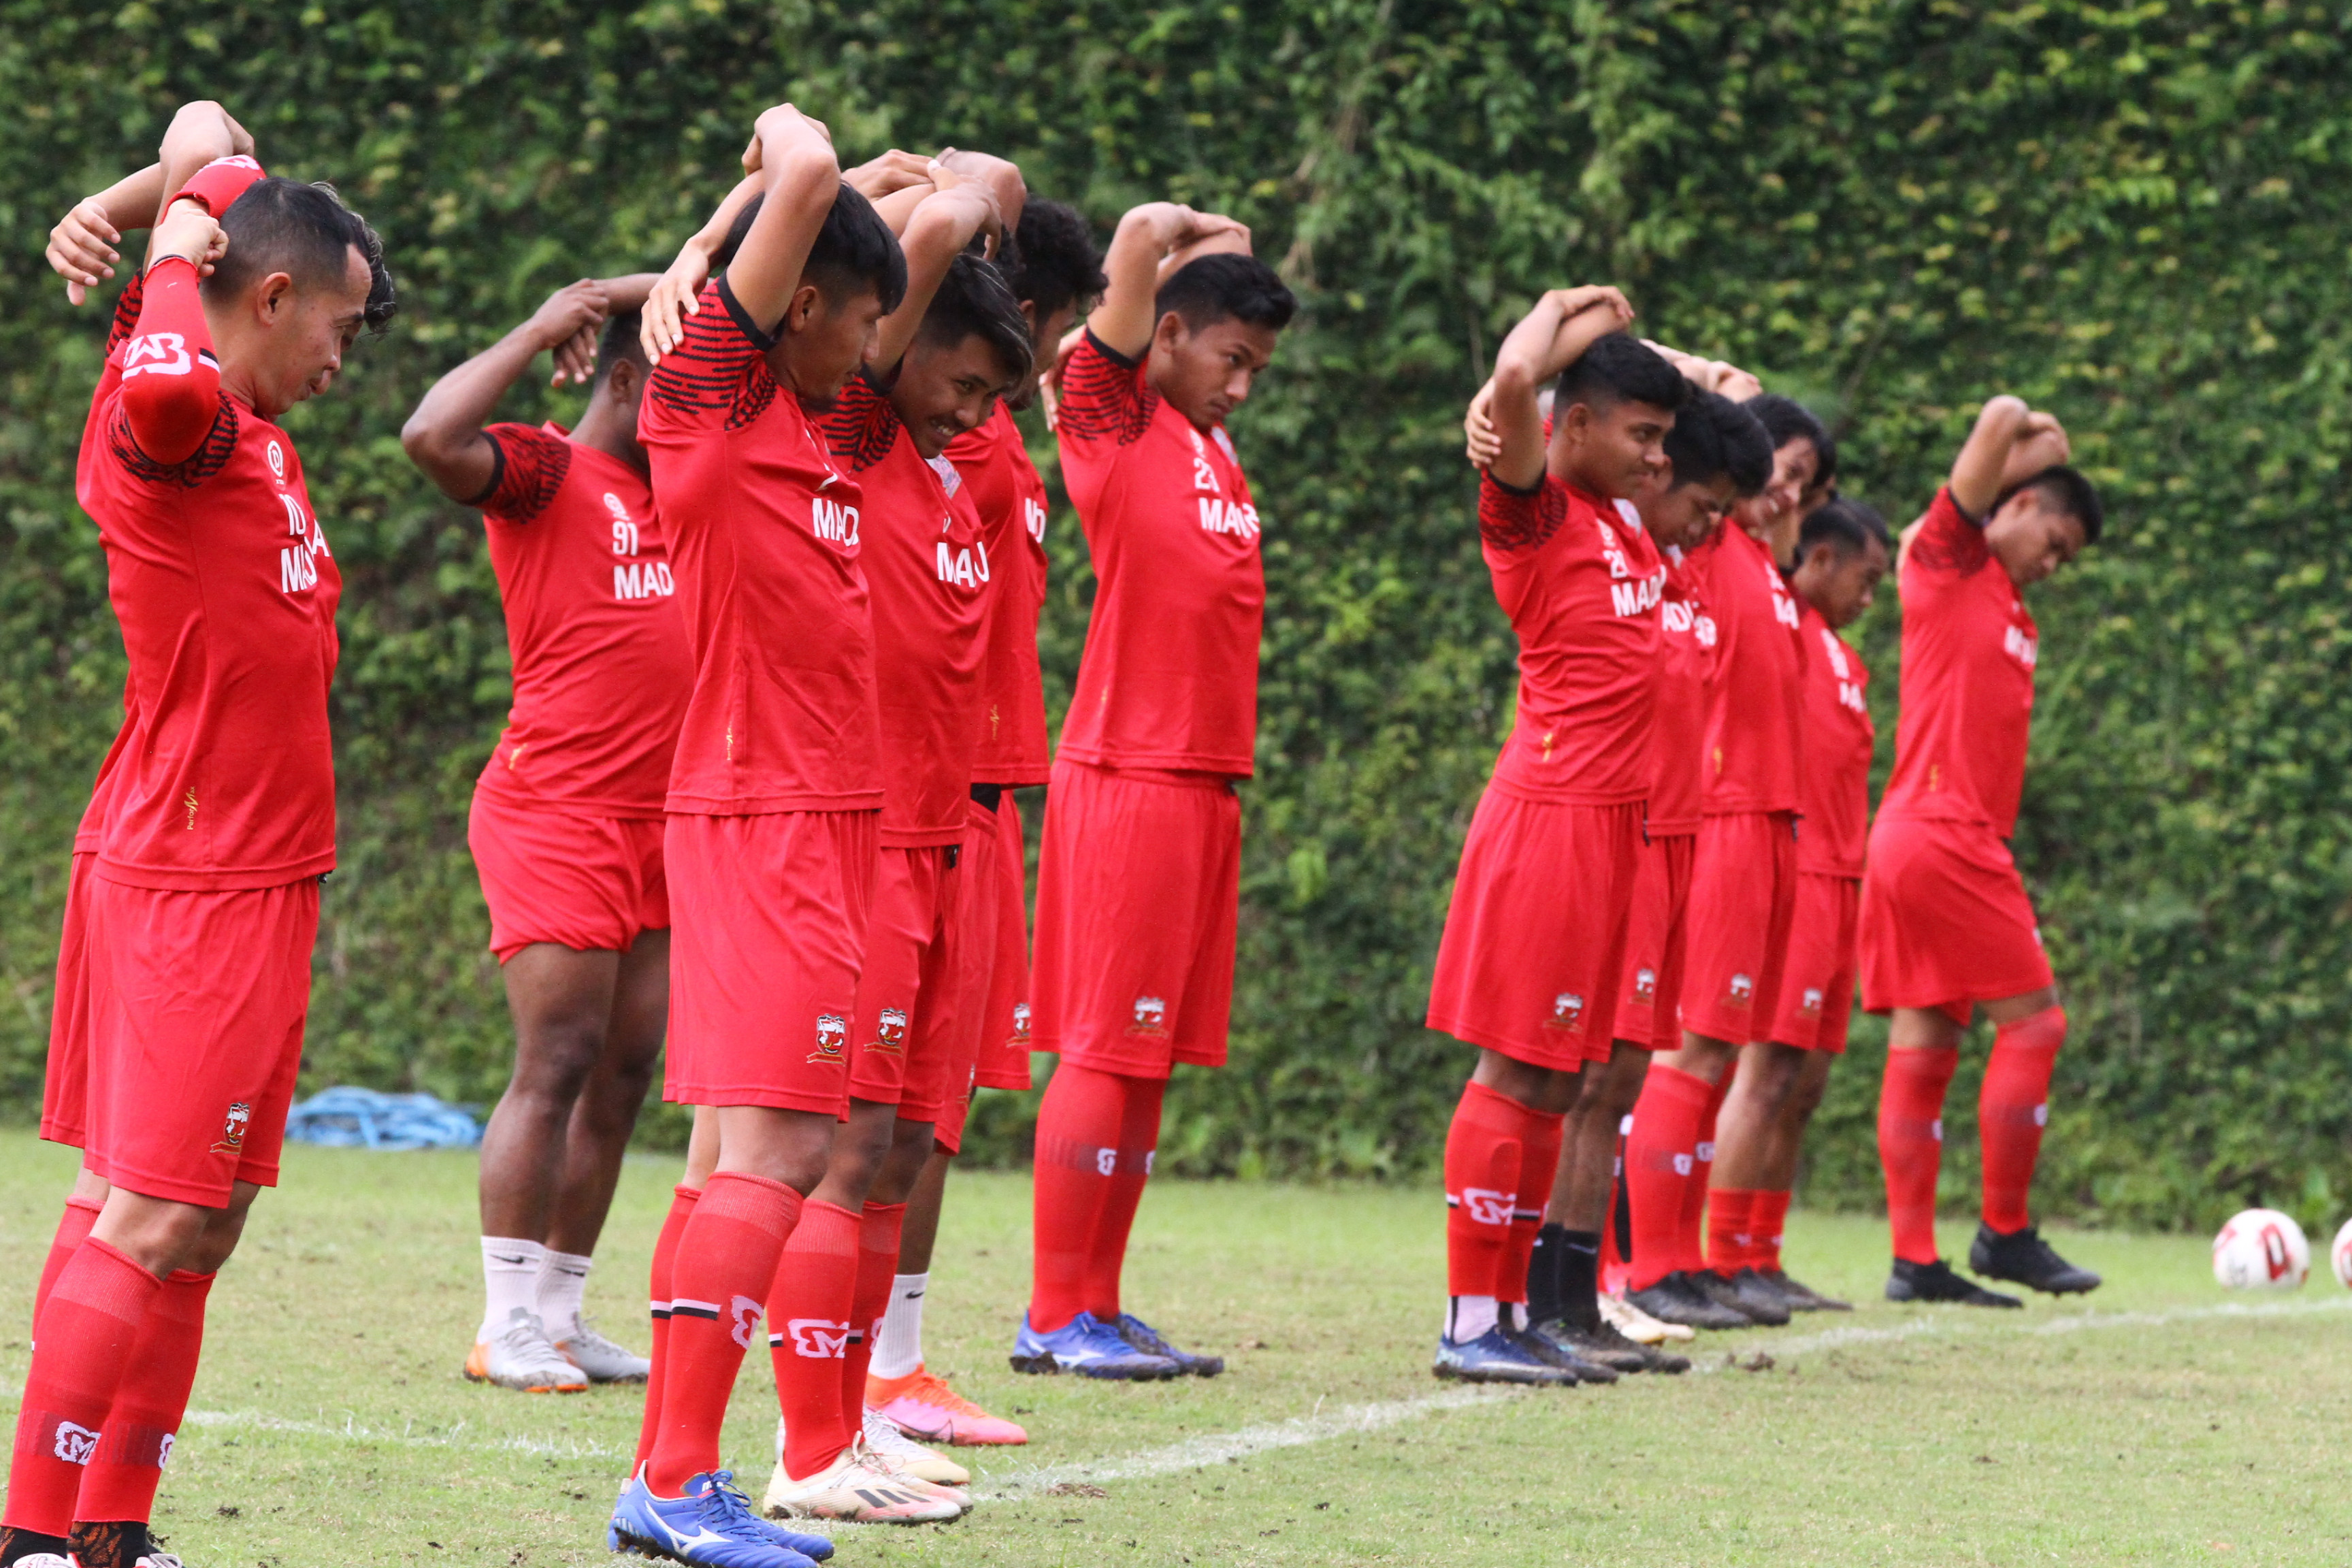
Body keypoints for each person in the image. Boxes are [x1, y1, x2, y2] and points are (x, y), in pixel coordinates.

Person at [7, 101, 394, 1568]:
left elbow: (206, 127)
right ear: (267, 293)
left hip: (248, 872)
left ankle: (110, 1530)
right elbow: (168, 387)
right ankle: (31, 1538)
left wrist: (124, 205)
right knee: (155, 1215)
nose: (341, 362)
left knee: (192, 1216)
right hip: (193, 869)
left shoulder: (245, 417)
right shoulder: (165, 411)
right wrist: (164, 240)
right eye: (337, 330)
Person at [606, 103, 917, 1568]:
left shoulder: (811, 419)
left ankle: (669, 1480)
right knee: (785, 1143)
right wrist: (780, 158)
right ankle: (675, 1482)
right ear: (796, 304)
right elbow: (798, 167)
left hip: (829, 819)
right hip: (766, 812)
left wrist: (883, 198)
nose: (873, 350)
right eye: (859, 320)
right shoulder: (714, 398)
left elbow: (975, 197)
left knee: (748, 1145)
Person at [757, 156, 1031, 1524]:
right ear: (891, 344)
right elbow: (932, 226)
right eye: (965, 383)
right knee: (846, 1151)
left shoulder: (932, 467)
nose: (979, 414)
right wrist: (970, 191)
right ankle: (810, 1448)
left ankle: (851, 1419)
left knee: (903, 1150)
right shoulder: (859, 433)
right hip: (867, 845)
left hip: (944, 844)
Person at [1017, 202, 1295, 1379]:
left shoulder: (1202, 437)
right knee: (1100, 1044)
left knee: (1148, 1056)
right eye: (1231, 360)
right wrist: (1173, 229)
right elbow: (1133, 241)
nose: (1244, 386)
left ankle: (1099, 1299)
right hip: (1132, 767)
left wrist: (1217, 247)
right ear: (1165, 335)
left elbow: (1189, 267)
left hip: (1201, 778)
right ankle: (1050, 1311)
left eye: (1257, 369)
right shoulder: (1108, 412)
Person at [400, 272, 685, 1392]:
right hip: (556, 808)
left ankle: (561, 1311)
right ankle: (503, 1317)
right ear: (623, 379)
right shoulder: (545, 470)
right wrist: (547, 316)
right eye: (682, 390)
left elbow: (788, 240)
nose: (709, 410)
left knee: (624, 1066)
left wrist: (655, 277)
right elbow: (431, 433)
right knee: (557, 1057)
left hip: (663, 821)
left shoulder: (688, 493)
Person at [867, 196, 1105, 1448]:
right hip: (907, 796)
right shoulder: (916, 417)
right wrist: (943, 194)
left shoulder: (989, 419)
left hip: (982, 786)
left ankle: (891, 1361)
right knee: (867, 1114)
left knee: (933, 1109)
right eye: (1051, 323)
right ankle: (852, 1372)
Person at [1426, 288, 1686, 1386]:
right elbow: (1513, 384)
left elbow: (1696, 384)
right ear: (1570, 425)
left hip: (1614, 829)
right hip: (1551, 819)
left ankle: (1513, 1308)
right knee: (1518, 1065)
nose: (1657, 458)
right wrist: (1552, 319)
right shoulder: (1535, 511)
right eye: (1640, 434)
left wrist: (1611, 329)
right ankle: (1468, 1320)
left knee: (1558, 1080)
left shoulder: (1625, 517)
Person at [1518, 389, 1772, 1373]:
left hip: (1666, 836)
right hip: (1605, 827)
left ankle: (1581, 1297)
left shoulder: (1672, 557)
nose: (1712, 527)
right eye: (1703, 504)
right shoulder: (1612, 528)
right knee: (1571, 1076)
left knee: (1616, 1076)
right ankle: (1541, 1297)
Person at [1862, 397, 2105, 1306]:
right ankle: (2004, 1233)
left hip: (1918, 836)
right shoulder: (1943, 557)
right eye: (2056, 540)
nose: (2054, 563)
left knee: (1927, 1037)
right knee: (2036, 1023)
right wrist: (2026, 454)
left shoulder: (1999, 593)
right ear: (2009, 507)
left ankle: (1914, 1262)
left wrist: (2040, 474)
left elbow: (2044, 458)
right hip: (1944, 835)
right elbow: (2012, 418)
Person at [1624, 385, 1831, 1329]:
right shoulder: (1707, 544)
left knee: (1719, 1045)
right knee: (1694, 1039)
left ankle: (1687, 1257)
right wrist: (1724, 401)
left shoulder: (1761, 564)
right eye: (1781, 475)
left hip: (1769, 818)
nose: (1786, 496)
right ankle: (1652, 1262)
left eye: (1803, 487)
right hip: (1725, 815)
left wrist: (1782, 510)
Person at [1703, 497, 1890, 1309]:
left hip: (1845, 878)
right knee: (1764, 1070)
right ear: (1816, 561)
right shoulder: (1786, 630)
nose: (1872, 597)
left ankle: (1760, 1255)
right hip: (1800, 868)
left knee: (1804, 1082)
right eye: (1866, 577)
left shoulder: (1846, 659)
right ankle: (1719, 1259)